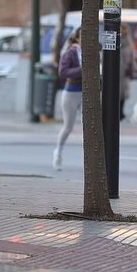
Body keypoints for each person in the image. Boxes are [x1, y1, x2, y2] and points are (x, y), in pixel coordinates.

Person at [52, 28, 83, 171]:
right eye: (83, 36)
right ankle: (58, 152)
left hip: (87, 92)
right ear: (76, 38)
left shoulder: (93, 52)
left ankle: (91, 159)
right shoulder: (70, 53)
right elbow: (63, 71)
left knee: (91, 126)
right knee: (68, 126)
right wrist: (82, 70)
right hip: (71, 91)